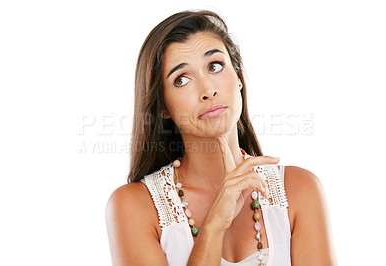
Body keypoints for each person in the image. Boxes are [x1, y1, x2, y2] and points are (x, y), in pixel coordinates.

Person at [105, 10, 337, 266]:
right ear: (163, 107)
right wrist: (215, 224)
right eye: (182, 79)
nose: (208, 90)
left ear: (238, 77)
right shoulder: (134, 206)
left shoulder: (299, 190)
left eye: (215, 66)